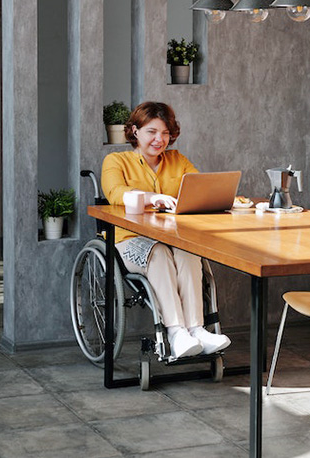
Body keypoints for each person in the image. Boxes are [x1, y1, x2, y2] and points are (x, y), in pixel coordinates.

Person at [101, 101, 231, 359]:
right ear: (135, 131)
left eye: (165, 133)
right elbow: (115, 193)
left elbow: (199, 188)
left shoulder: (177, 160)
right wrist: (150, 198)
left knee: (189, 253)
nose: (159, 139)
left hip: (173, 238)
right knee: (159, 253)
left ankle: (197, 329)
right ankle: (176, 332)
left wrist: (225, 198)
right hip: (129, 240)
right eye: (151, 131)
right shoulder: (116, 161)